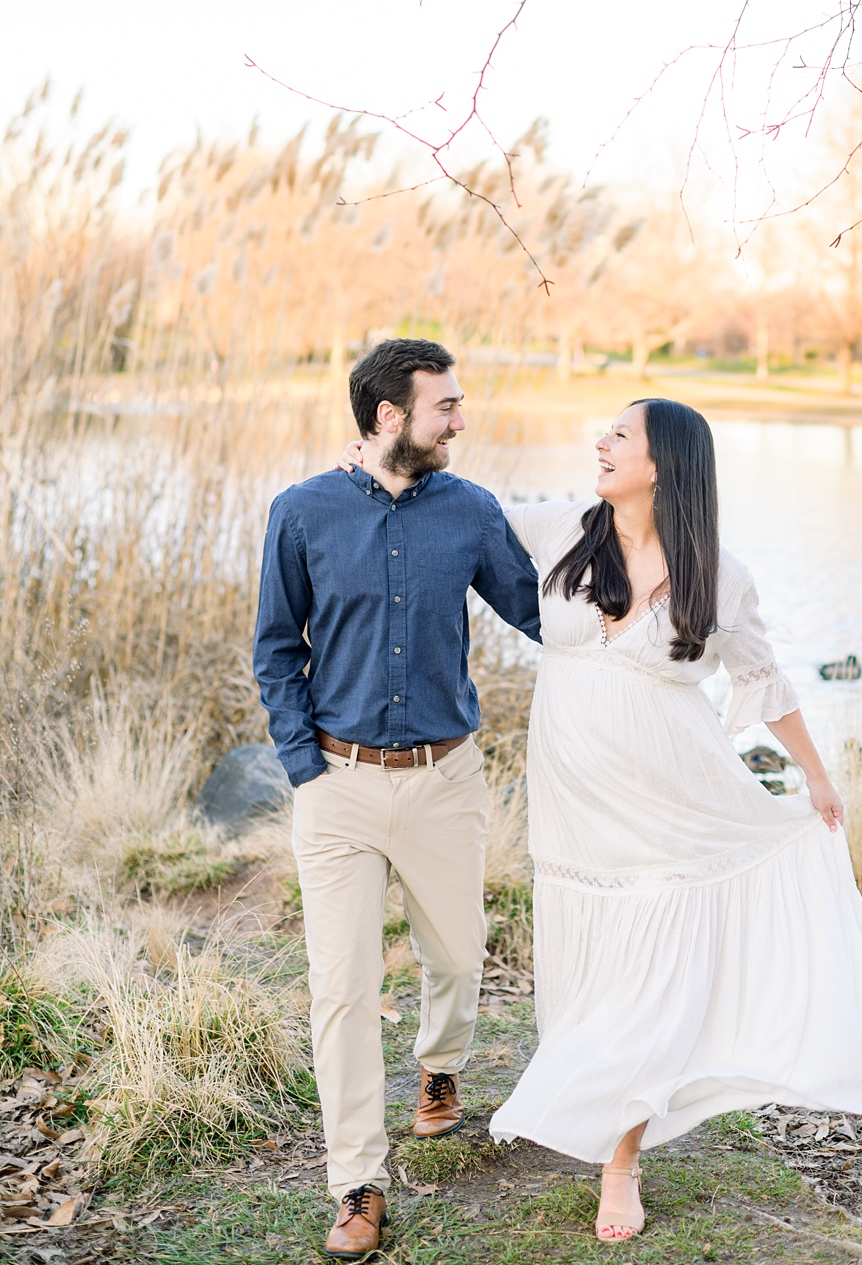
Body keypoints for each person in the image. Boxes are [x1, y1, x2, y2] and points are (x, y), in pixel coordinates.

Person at [477, 398, 862, 1243]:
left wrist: (815, 776)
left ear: (662, 464)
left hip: (677, 797)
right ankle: (594, 1097)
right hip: (575, 801)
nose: (601, 440)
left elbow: (764, 679)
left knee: (650, 964)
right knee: (592, 958)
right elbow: (462, 510)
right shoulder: (561, 528)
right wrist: (377, 466)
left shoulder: (718, 572)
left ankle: (620, 1160)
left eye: (619, 435)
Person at [252, 338, 544, 1262]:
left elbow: (541, 611)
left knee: (456, 957)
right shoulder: (301, 513)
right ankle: (357, 1183)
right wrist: (305, 766)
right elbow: (274, 647)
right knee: (341, 989)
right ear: (390, 416)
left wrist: (647, 588)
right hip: (335, 785)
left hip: (446, 778)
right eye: (446, 406)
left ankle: (441, 1069)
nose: (462, 419)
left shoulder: (472, 512)